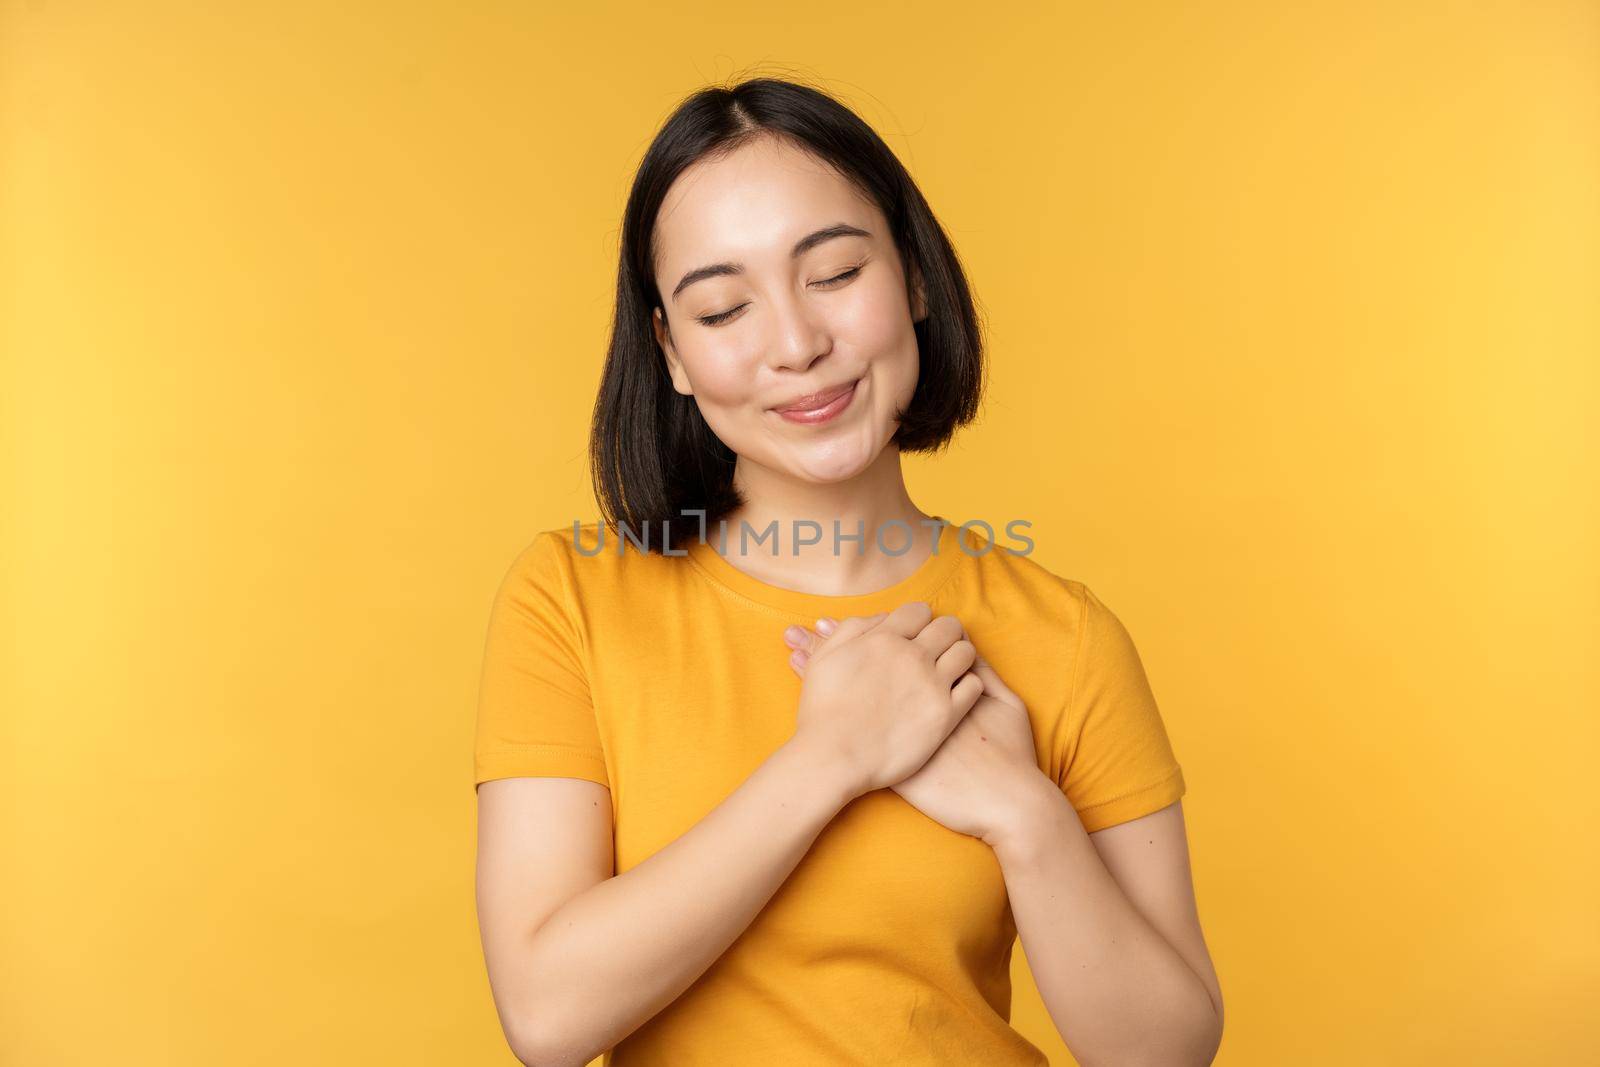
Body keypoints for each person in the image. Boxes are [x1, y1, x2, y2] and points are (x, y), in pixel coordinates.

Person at [473, 76, 1223, 1067]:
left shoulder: (1062, 634)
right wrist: (832, 755)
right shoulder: (570, 598)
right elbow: (547, 1014)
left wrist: (1020, 810)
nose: (796, 344)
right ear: (673, 354)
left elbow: (1164, 1050)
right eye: (724, 305)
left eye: (833, 274)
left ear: (912, 279)